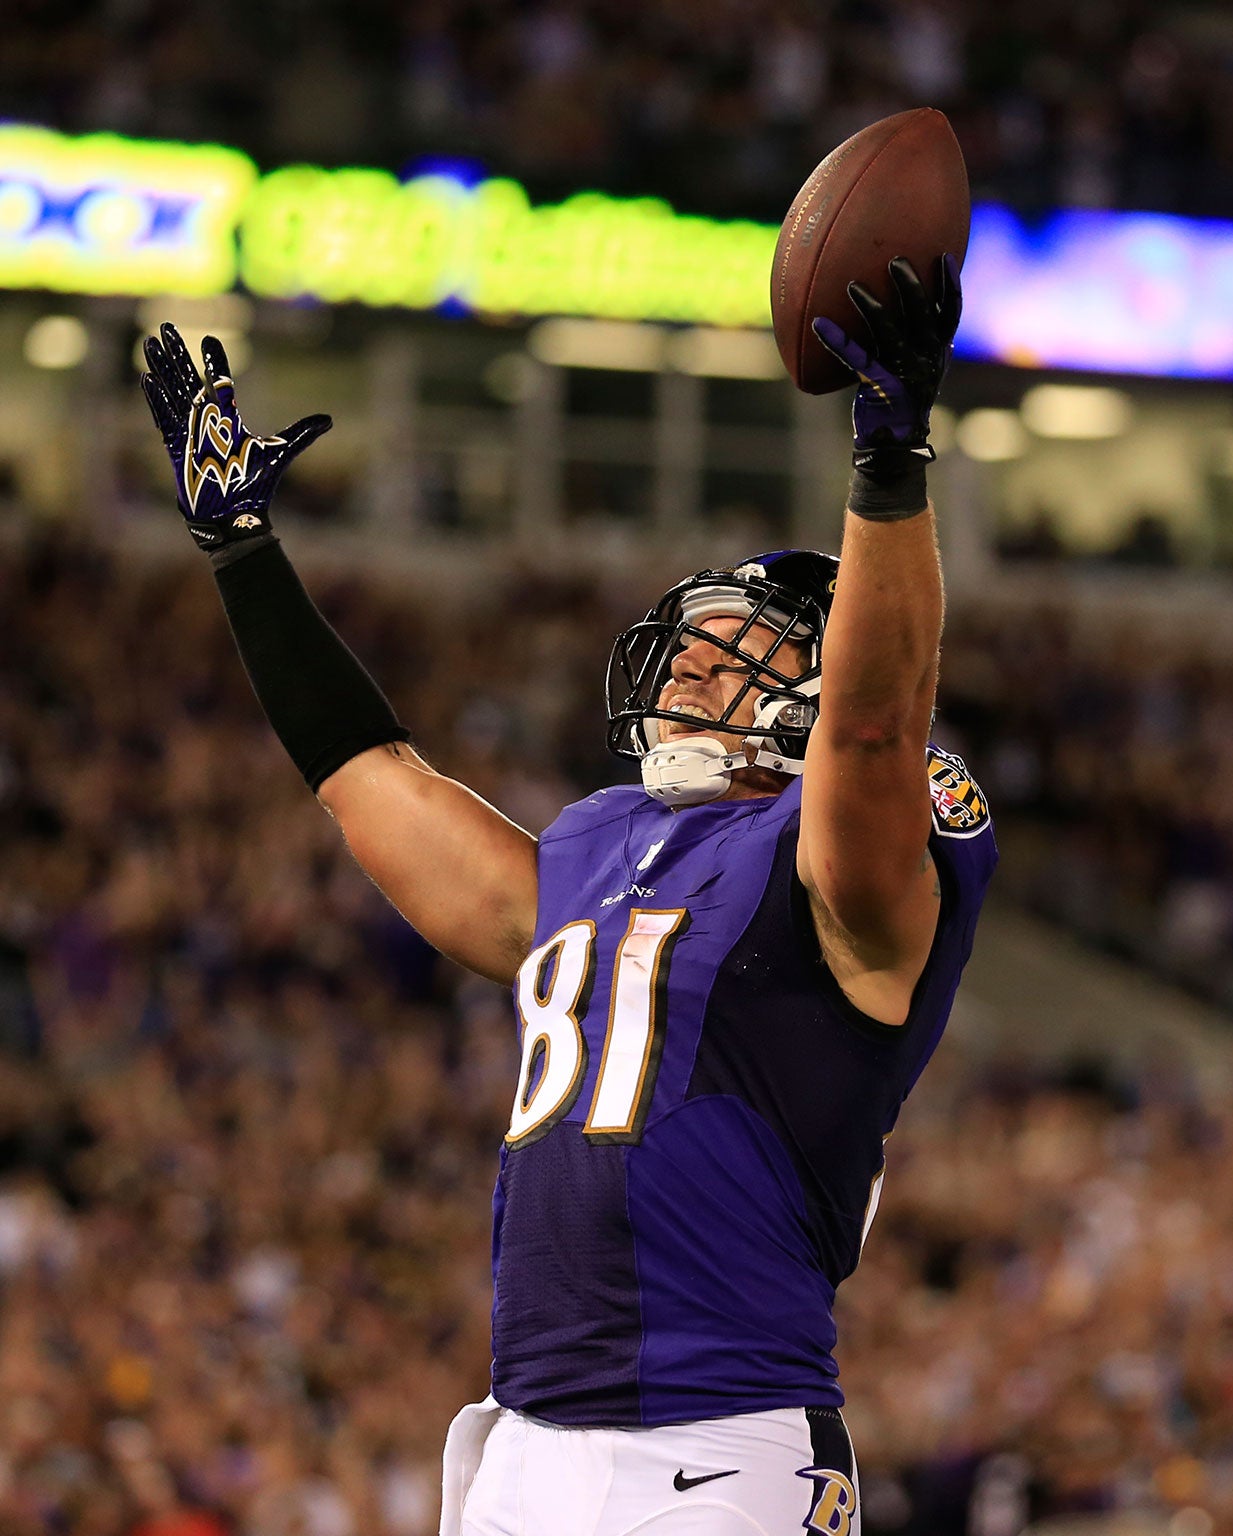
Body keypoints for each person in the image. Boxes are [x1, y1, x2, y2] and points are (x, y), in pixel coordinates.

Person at [137, 253, 994, 1536]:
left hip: (719, 1441)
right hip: (527, 1437)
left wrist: (887, 458)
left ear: (824, 685)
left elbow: (873, 737)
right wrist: (243, 556)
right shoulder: (607, 840)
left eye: (741, 654)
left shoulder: (843, 864)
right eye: (696, 648)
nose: (694, 668)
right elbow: (371, 780)